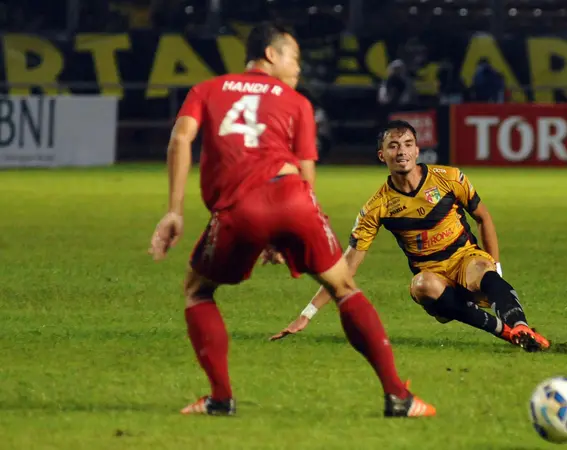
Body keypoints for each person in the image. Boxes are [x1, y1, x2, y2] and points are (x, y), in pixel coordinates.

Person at [148, 22, 435, 418]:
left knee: (197, 290)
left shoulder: (206, 90)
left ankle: (220, 399)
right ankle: (399, 397)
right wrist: (287, 232)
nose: (298, 68)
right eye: (294, 58)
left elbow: (180, 139)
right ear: (270, 55)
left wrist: (174, 210)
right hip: (293, 198)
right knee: (343, 287)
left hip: (239, 208)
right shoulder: (296, 101)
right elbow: (306, 171)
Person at [270, 120, 551, 353]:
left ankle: (521, 326)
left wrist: (496, 272)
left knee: (481, 267)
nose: (401, 151)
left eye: (407, 145)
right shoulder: (377, 206)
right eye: (393, 146)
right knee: (421, 286)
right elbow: (348, 265)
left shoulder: (449, 178)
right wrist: (307, 313)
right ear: (382, 155)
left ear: (417, 151)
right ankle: (507, 333)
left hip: (466, 260)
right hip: (433, 277)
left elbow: (483, 218)